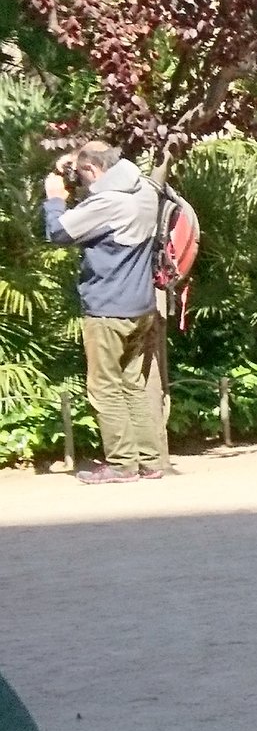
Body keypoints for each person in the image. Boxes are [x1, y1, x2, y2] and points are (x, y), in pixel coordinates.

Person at [41, 143, 166, 484]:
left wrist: (55, 198)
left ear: (94, 171)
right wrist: (79, 165)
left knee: (104, 387)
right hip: (141, 307)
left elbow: (59, 232)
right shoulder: (142, 190)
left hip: (108, 310)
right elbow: (101, 177)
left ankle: (123, 465)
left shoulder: (107, 202)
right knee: (131, 384)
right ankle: (150, 460)